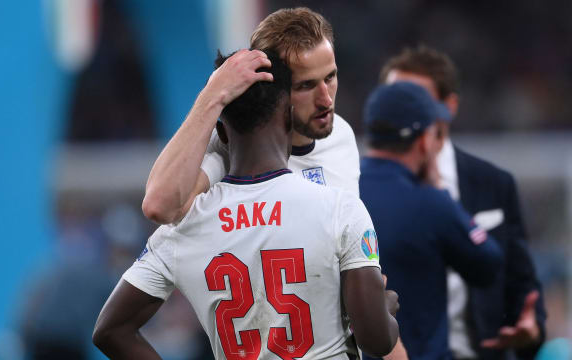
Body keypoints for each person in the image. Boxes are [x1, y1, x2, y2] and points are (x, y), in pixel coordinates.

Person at [93, 51, 400, 359]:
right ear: (288, 119)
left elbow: (110, 330)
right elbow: (375, 340)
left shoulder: (182, 228)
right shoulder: (339, 208)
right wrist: (383, 309)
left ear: (222, 133)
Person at [380, 46, 546, 360]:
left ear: (450, 107)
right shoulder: (361, 189)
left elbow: (522, 284)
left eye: (414, 100)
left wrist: (531, 328)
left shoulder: (494, 184)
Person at [141, 7, 360, 226]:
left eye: (330, 77)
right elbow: (158, 206)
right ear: (273, 88)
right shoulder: (237, 149)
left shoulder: (342, 135)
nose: (326, 100)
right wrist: (212, 95)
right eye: (306, 86)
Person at [359, 82, 504, 360]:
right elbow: (489, 265)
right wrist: (441, 192)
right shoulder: (431, 202)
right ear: (424, 140)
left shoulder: (342, 190)